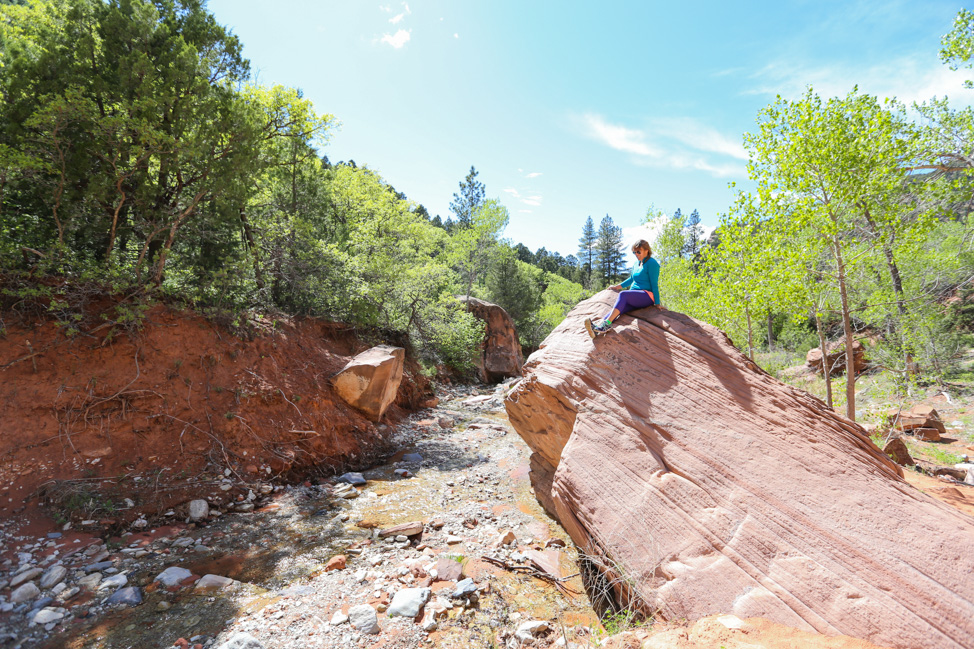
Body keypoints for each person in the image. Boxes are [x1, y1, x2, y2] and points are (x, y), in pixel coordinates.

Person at [585, 239, 661, 339]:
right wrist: (616, 287)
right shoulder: (636, 264)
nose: (636, 254)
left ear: (647, 250)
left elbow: (654, 284)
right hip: (635, 297)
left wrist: (657, 303)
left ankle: (606, 325)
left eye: (639, 251)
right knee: (617, 310)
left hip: (647, 296)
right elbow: (630, 279)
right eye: (634, 252)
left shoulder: (652, 263)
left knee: (623, 295)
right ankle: (598, 328)